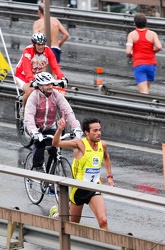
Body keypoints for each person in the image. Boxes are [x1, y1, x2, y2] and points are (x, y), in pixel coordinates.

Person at [52, 115, 114, 230]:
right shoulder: (79, 144)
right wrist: (59, 129)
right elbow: (55, 143)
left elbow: (106, 158)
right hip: (79, 190)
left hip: (94, 188)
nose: (99, 133)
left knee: (103, 221)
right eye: (95, 131)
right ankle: (57, 214)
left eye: (99, 130)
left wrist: (109, 176)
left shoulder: (102, 145)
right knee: (72, 226)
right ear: (87, 132)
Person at [24, 71, 82, 173]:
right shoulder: (34, 97)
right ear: (39, 86)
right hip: (34, 127)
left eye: (51, 83)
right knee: (40, 143)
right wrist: (34, 131)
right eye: (47, 84)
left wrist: (76, 127)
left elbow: (67, 110)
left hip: (50, 127)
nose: (50, 86)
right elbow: (29, 116)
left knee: (55, 147)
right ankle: (38, 168)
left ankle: (51, 172)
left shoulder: (56, 95)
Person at [15, 32, 68, 118]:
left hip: (35, 75)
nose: (41, 47)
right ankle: (23, 109)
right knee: (30, 90)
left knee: (47, 88)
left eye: (42, 44)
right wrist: (31, 80)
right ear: (34, 44)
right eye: (38, 45)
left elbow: (55, 65)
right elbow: (27, 68)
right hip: (22, 75)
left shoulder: (47, 51)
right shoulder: (28, 51)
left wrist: (62, 77)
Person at [126, 13, 162, 94]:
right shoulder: (152, 34)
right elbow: (159, 46)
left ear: (134, 23)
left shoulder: (132, 35)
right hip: (151, 65)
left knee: (144, 93)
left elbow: (128, 51)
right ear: (146, 22)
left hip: (139, 65)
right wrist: (153, 51)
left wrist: (130, 55)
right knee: (146, 90)